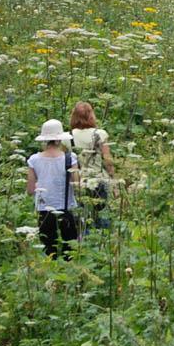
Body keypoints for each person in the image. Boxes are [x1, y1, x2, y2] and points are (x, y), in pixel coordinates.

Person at [26, 119, 78, 258]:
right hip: (66, 207)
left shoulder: (34, 160)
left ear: (44, 140)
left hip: (44, 209)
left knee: (49, 251)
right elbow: (77, 185)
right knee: (70, 251)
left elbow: (30, 190)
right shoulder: (70, 158)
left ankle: (51, 277)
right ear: (60, 139)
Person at [68, 101, 114, 230]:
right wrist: (114, 179)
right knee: (102, 213)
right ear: (91, 116)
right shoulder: (100, 134)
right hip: (99, 179)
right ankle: (103, 239)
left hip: (78, 182)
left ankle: (84, 241)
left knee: (83, 216)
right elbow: (107, 160)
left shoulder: (68, 137)